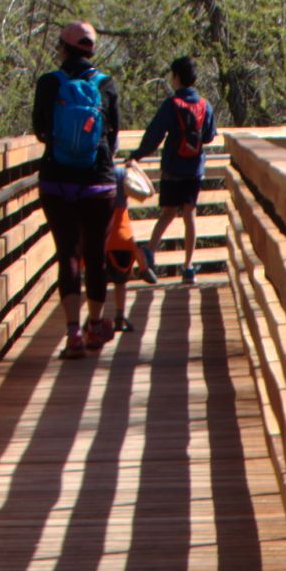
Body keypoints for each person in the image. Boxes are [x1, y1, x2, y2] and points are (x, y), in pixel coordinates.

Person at [33, 21, 120, 358]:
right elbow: (112, 137)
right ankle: (96, 326)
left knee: (67, 253)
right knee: (95, 255)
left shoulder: (49, 83)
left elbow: (41, 129)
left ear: (64, 48)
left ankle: (72, 333)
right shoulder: (105, 84)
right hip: (98, 181)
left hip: (57, 180)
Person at [131, 56, 218, 284]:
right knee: (190, 214)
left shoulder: (171, 105)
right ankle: (188, 268)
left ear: (177, 77)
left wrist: (137, 155)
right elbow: (208, 136)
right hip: (194, 168)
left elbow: (155, 134)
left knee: (168, 212)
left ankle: (149, 251)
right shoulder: (204, 105)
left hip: (172, 167)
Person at [104, 162, 153, 331]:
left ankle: (94, 320)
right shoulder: (120, 173)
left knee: (96, 279)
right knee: (120, 282)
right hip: (121, 237)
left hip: (99, 236)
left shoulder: (91, 170)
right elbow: (148, 192)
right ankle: (119, 316)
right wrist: (136, 167)